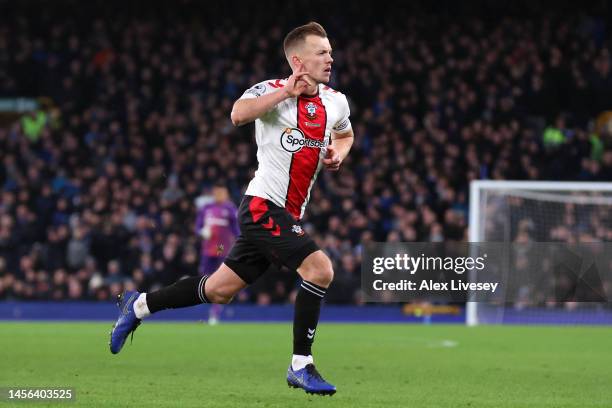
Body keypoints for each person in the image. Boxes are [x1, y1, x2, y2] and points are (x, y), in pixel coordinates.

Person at [109, 21, 354, 396]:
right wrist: (285, 92)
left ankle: (139, 305)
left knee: (220, 290)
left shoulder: (335, 101)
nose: (330, 58)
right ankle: (300, 364)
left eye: (330, 52)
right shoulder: (271, 91)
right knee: (320, 269)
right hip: (261, 206)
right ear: (297, 60)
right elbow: (238, 115)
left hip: (287, 214)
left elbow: (345, 132)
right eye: (322, 52)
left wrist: (338, 153)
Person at [194, 182, 239, 324]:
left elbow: (236, 230)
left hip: (221, 248)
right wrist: (202, 232)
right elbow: (197, 227)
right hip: (207, 249)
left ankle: (215, 313)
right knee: (204, 278)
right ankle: (204, 310)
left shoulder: (230, 209)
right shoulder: (206, 208)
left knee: (220, 280)